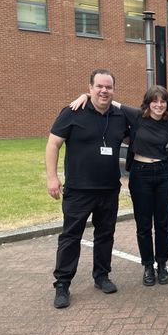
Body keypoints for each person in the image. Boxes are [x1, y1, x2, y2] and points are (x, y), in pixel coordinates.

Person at [70, 86, 168, 287]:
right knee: (144, 224)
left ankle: (161, 264)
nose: (159, 105)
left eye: (163, 101)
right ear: (148, 103)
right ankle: (148, 265)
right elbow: (108, 100)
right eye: (155, 101)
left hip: (162, 174)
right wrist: (85, 95)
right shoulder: (136, 115)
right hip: (140, 174)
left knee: (163, 224)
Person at [46, 69, 129, 309]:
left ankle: (101, 276)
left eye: (109, 87)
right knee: (71, 237)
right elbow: (53, 144)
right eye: (99, 86)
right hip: (78, 190)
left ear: (114, 90)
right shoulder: (72, 112)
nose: (104, 91)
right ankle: (62, 284)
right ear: (90, 87)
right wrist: (52, 178)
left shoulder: (119, 116)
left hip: (108, 189)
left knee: (105, 236)